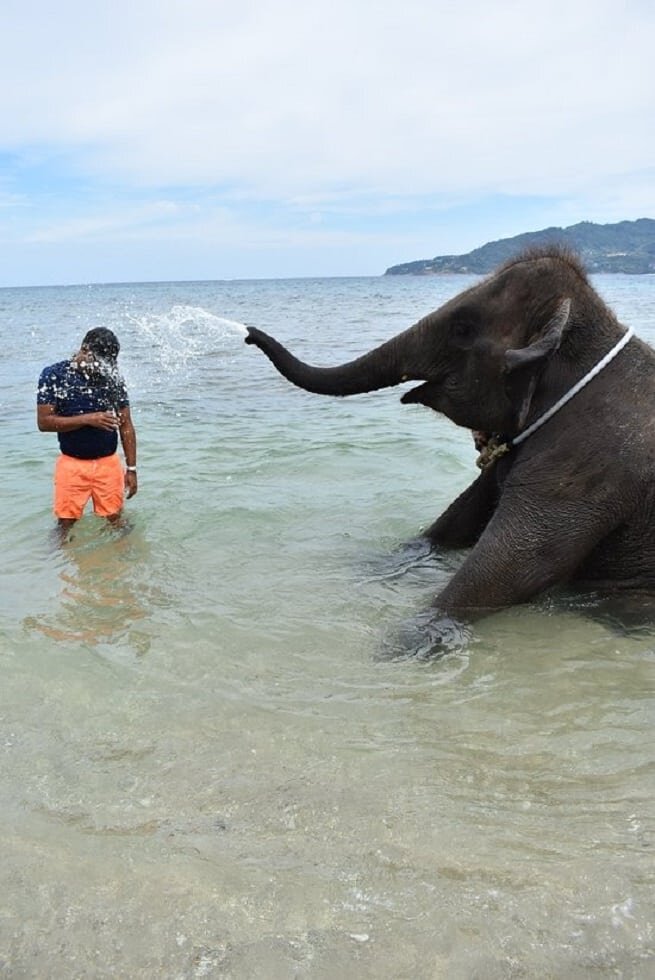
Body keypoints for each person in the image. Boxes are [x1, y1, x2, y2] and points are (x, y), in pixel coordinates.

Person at [37, 327, 138, 538]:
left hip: (108, 463)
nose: (102, 368)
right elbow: (44, 422)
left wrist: (131, 468)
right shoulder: (54, 375)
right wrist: (88, 419)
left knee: (116, 520)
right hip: (72, 463)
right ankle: (54, 568)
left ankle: (127, 566)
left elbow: (126, 424)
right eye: (99, 362)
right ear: (85, 350)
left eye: (107, 364)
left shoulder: (112, 376)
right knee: (65, 523)